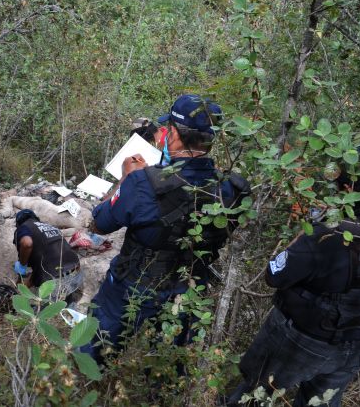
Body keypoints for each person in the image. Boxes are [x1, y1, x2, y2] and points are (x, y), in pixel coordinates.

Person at [226, 147, 360, 407]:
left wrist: (310, 229)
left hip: (302, 340)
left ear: (347, 190)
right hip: (359, 345)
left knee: (252, 396)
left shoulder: (330, 236)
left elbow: (274, 275)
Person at [82, 94, 250, 363]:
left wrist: (126, 179)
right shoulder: (233, 188)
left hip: (133, 286)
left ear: (172, 134)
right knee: (166, 369)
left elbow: (100, 224)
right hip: (189, 291)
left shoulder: (141, 183)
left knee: (91, 354)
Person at [12, 209, 82, 303]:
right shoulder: (51, 227)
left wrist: (22, 265)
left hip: (55, 281)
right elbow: (47, 261)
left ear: (18, 223)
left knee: (40, 312)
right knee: (65, 305)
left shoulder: (24, 227)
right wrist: (29, 283)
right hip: (77, 273)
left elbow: (26, 244)